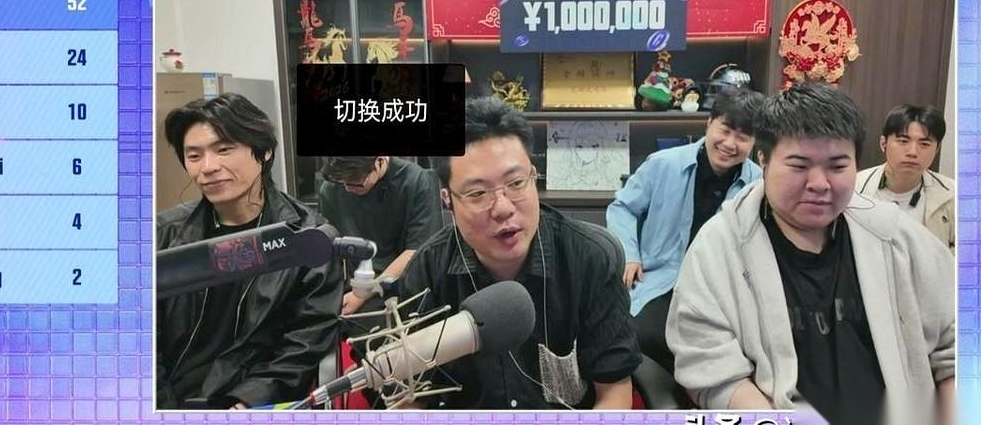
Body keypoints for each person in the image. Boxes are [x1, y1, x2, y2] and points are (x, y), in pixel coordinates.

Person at [667, 83, 955, 425]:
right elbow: (710, 366)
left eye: (837, 166)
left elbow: (955, 347)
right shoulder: (721, 246)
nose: (820, 183)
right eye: (799, 165)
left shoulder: (895, 235)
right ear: (763, 159)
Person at [398, 97, 640, 409]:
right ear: (448, 200)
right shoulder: (427, 273)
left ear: (534, 177)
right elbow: (407, 397)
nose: (503, 208)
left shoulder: (589, 260)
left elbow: (614, 393)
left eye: (515, 183)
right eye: (477, 193)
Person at [156, 93, 341, 409]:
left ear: (264, 151)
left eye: (224, 149)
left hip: (248, 399)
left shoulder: (307, 240)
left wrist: (246, 401)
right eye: (194, 155)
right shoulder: (163, 234)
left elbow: (305, 342)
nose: (208, 167)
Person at [604, 88, 764, 371]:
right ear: (709, 123)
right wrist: (629, 254)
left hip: (721, 293)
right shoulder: (663, 164)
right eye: (725, 130)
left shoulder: (759, 185)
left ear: (754, 142)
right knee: (641, 339)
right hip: (662, 282)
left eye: (743, 137)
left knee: (736, 354)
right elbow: (622, 208)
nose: (730, 144)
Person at [318, 156, 442, 315]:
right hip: (352, 285)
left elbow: (417, 250)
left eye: (356, 182)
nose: (348, 189)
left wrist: (365, 292)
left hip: (402, 285)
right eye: (343, 182)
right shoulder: (332, 187)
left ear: (380, 161)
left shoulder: (416, 181)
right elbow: (329, 250)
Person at [856, 104, 954, 251]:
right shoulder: (854, 187)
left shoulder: (952, 195)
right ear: (883, 143)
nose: (912, 152)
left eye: (924, 144)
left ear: (937, 149)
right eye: (903, 141)